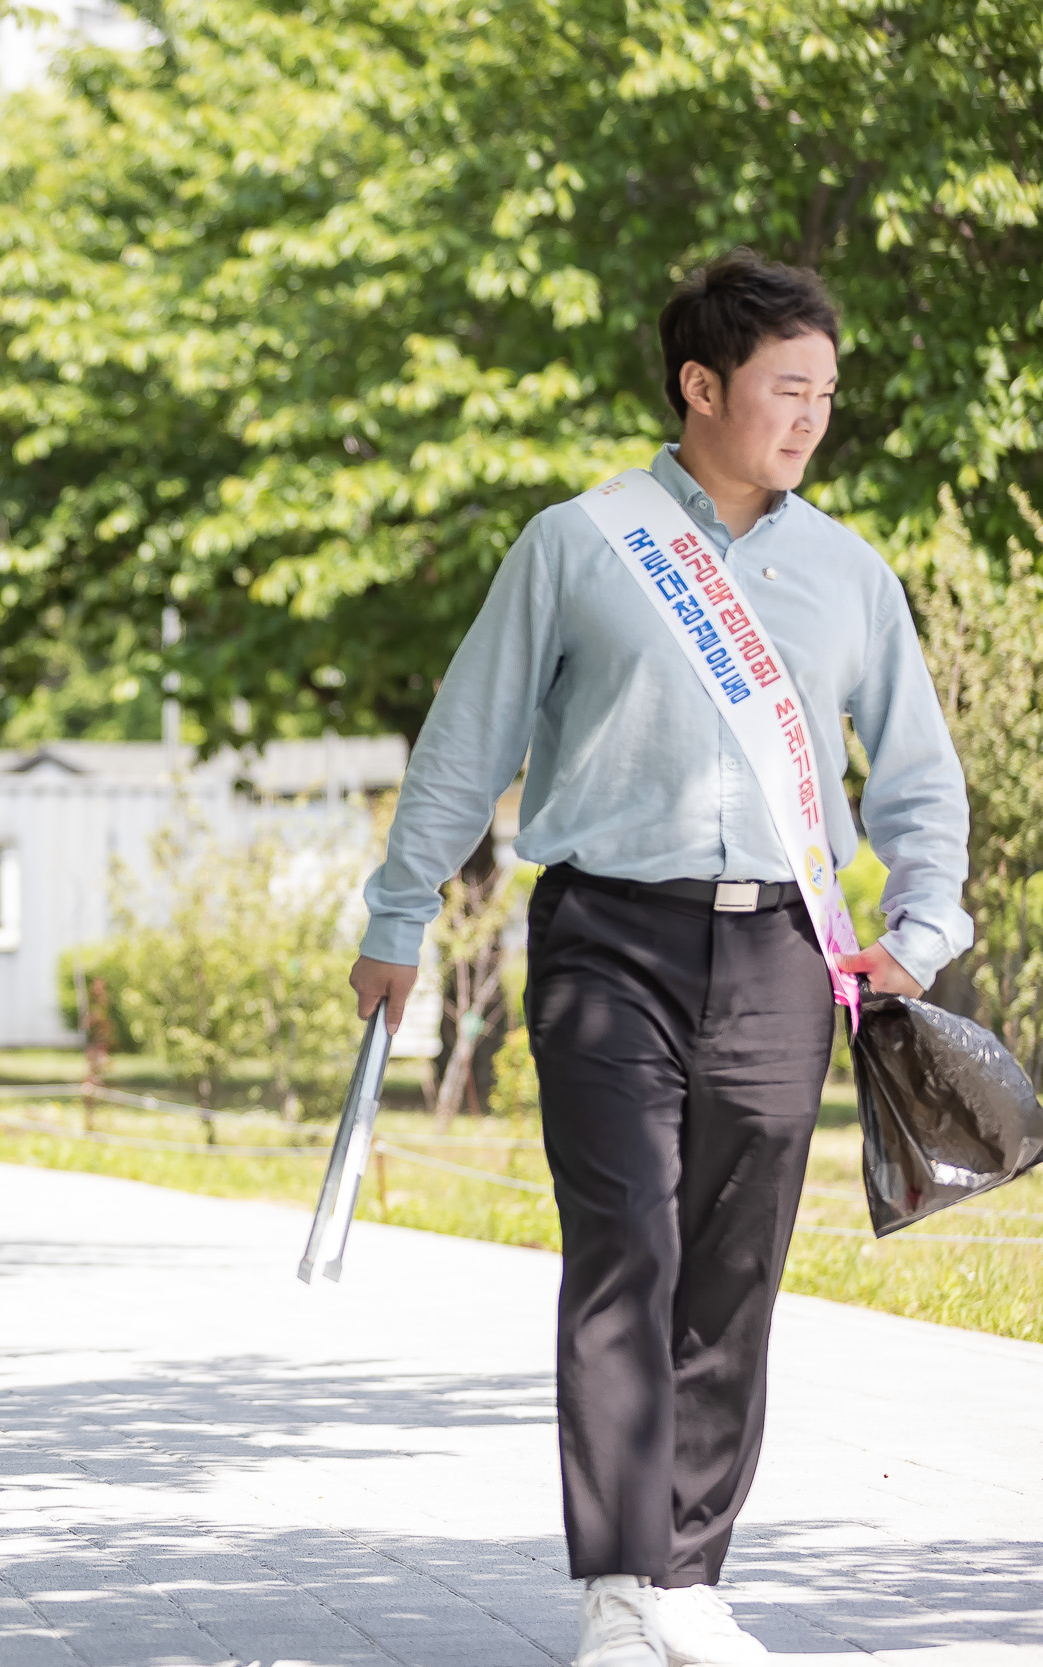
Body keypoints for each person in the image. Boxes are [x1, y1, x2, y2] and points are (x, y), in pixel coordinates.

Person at [349, 251, 969, 1667]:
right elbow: (466, 743)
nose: (810, 417)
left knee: (733, 1264)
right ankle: (620, 1590)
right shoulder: (579, 543)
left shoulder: (848, 572)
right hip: (603, 938)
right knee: (625, 1241)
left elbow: (921, 783)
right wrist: (396, 920)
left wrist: (919, 935)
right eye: (784, 388)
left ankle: (688, 1575)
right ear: (703, 386)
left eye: (825, 391)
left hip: (783, 953)